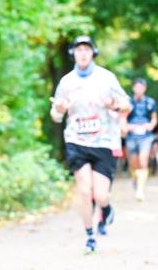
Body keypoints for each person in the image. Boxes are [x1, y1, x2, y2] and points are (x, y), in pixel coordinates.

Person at [50, 35, 131, 254]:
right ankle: (89, 236)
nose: (83, 53)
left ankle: (106, 208)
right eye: (79, 50)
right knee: (85, 191)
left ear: (93, 52)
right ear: (73, 54)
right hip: (76, 140)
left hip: (104, 141)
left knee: (101, 194)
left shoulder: (106, 78)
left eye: (87, 49)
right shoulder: (67, 82)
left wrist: (113, 104)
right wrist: (59, 109)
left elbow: (126, 105)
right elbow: (56, 115)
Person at [124, 77, 158, 200]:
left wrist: (151, 126)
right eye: (137, 87)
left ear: (144, 89)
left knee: (143, 162)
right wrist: (126, 127)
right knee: (134, 164)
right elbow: (122, 118)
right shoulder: (127, 102)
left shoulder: (150, 102)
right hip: (132, 135)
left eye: (141, 87)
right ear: (133, 88)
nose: (139, 90)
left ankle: (140, 190)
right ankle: (135, 180)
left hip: (145, 136)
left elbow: (154, 118)